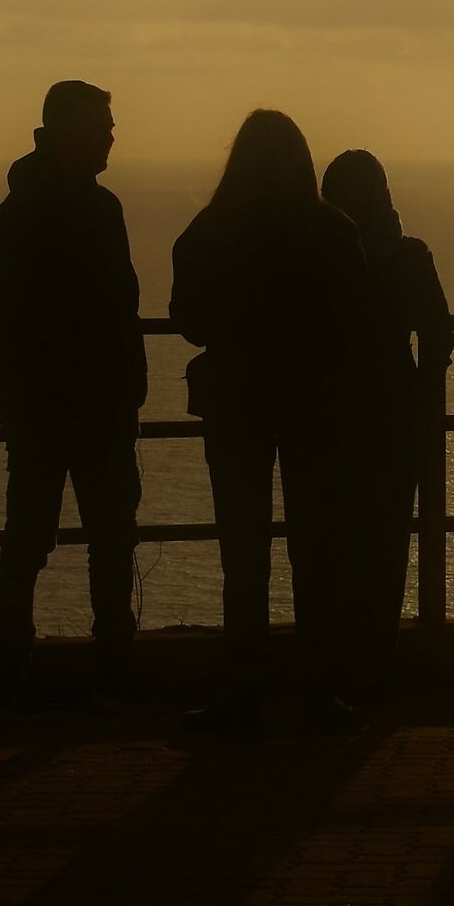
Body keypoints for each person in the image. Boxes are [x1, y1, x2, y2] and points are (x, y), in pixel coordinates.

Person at [172, 109, 369, 733]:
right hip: (315, 405)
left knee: (243, 550)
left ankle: (244, 692)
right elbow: (351, 326)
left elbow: (191, 321)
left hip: (236, 404)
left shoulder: (209, 232)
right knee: (317, 548)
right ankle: (319, 692)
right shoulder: (334, 233)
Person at [0, 80, 147, 711]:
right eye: (102, 124)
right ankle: (107, 668)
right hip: (73, 409)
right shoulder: (69, 214)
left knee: (39, 540)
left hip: (65, 409)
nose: (111, 134)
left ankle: (15, 667)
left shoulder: (29, 213)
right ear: (67, 129)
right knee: (91, 539)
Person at [320, 149, 454, 696]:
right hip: (394, 421)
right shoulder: (411, 257)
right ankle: (374, 669)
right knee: (386, 547)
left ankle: (338, 668)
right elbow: (440, 335)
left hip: (330, 420)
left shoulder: (322, 261)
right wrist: (420, 394)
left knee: (333, 547)